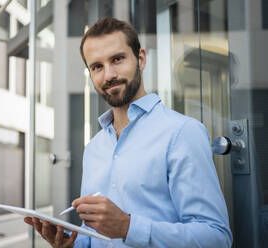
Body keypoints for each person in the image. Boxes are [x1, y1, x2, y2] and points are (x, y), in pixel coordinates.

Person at [24, 17, 232, 248]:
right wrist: (72, 244)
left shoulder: (182, 132)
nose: (109, 75)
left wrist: (127, 227)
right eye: (97, 67)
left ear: (140, 59)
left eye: (117, 59)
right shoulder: (94, 147)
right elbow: (93, 234)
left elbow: (216, 237)